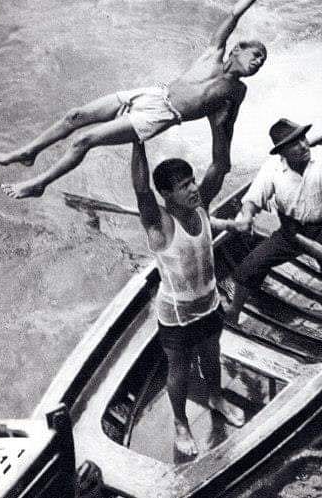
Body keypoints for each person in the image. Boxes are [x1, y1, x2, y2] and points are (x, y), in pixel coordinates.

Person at [0, 0, 286, 199]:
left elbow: (223, 143)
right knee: (75, 116)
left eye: (262, 61)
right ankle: (29, 152)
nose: (259, 62)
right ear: (237, 49)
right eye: (256, 55)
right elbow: (234, 14)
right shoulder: (213, 53)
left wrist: (208, 189)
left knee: (85, 140)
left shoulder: (236, 92)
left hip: (161, 116)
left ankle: (39, 184)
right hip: (153, 93)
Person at [131, 127, 245, 457]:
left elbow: (220, 165)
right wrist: (137, 138)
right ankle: (181, 422)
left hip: (209, 304)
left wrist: (222, 119)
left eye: (192, 181)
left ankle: (216, 397)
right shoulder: (159, 223)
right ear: (166, 194)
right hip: (177, 316)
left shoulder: (201, 207)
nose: (194, 189)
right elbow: (141, 190)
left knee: (211, 354)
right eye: (184, 186)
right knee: (179, 369)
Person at [227, 117, 322, 359]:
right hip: (292, 233)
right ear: (282, 152)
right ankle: (233, 312)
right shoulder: (272, 168)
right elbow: (253, 199)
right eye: (294, 143)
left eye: (303, 139)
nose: (303, 145)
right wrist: (246, 217)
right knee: (251, 265)